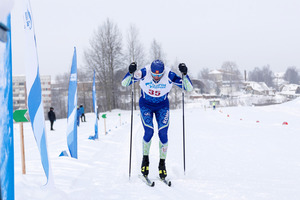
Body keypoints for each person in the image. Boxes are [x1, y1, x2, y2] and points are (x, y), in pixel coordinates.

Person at [122, 60, 193, 180]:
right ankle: (145, 161)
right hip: (146, 105)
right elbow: (125, 83)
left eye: (159, 75)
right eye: (154, 75)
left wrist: (185, 74)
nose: (156, 77)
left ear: (163, 72)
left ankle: (162, 164)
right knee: (149, 132)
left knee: (163, 134)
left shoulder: (169, 74)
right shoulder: (144, 72)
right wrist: (130, 72)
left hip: (162, 106)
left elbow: (188, 88)